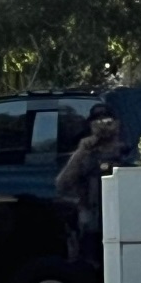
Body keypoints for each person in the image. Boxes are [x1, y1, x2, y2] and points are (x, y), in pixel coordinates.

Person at [55, 103, 129, 265]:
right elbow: (62, 184)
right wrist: (81, 152)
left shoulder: (126, 152)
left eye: (108, 122)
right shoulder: (87, 154)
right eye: (97, 123)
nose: (103, 127)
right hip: (92, 228)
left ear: (117, 124)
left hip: (122, 224)